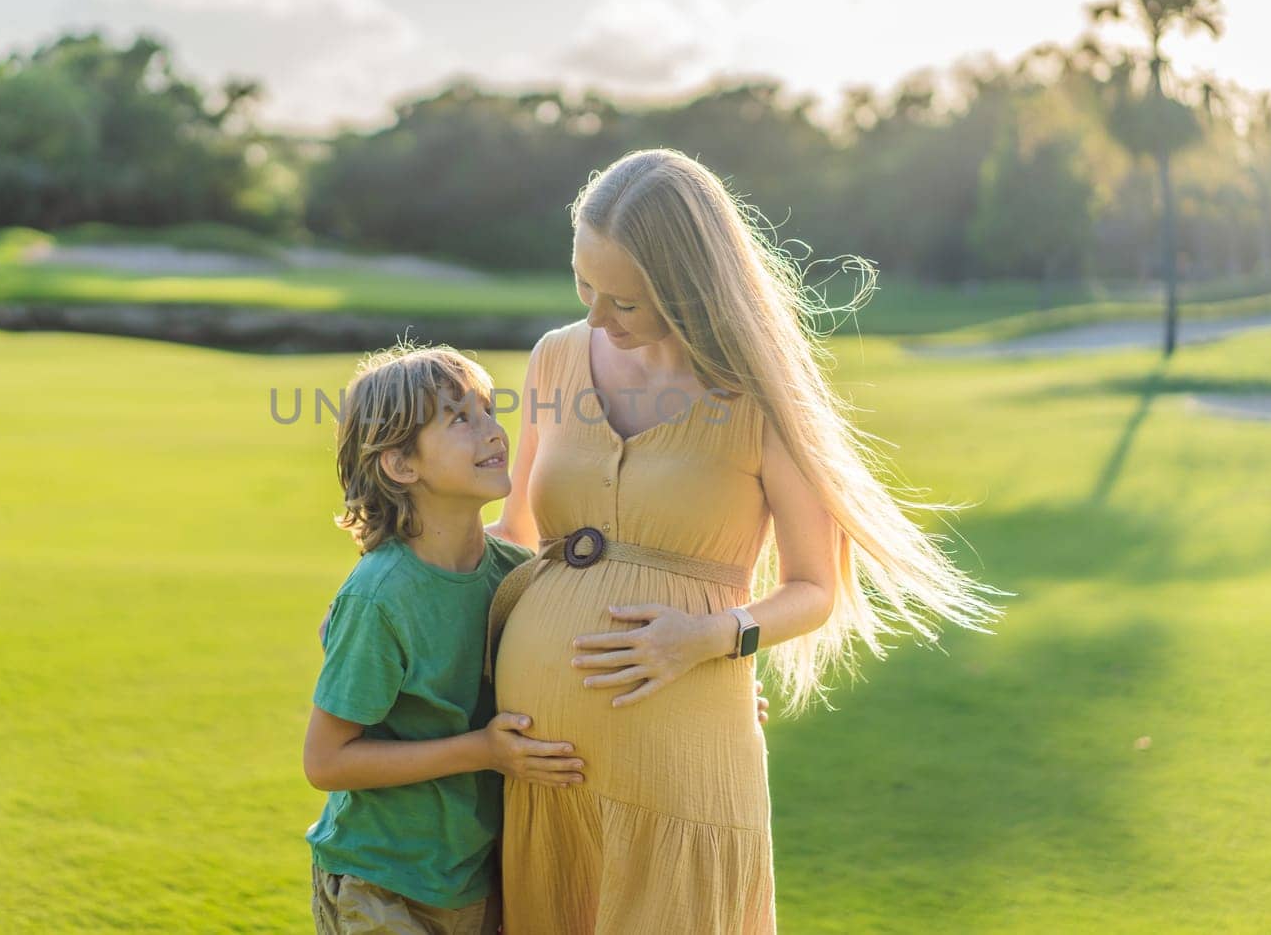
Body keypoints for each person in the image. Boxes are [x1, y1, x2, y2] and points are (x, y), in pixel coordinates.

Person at [483, 148, 1009, 933]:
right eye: (583, 283)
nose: (596, 316)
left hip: (684, 767)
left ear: (687, 288)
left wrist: (706, 637)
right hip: (539, 776)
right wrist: (387, 592)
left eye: (622, 300)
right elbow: (513, 536)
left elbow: (814, 588)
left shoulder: (760, 395)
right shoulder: (555, 358)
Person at [302, 343, 584, 935]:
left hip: (479, 881)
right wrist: (482, 750)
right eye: (460, 418)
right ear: (402, 465)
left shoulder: (515, 573)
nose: (493, 431)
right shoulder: (380, 596)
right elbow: (326, 762)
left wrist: (699, 702)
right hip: (382, 883)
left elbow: (576, 670)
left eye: (487, 409)